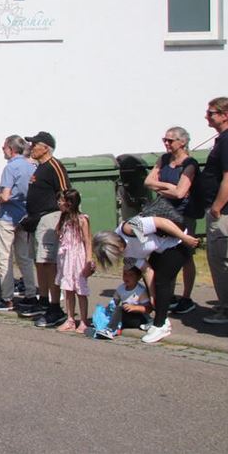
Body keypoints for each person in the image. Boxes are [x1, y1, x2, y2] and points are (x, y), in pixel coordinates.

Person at [93, 216, 198, 344]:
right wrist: (153, 296)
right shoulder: (127, 255)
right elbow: (147, 271)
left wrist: (184, 237)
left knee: (162, 280)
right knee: (156, 284)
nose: (118, 256)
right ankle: (161, 319)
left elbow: (161, 222)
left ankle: (161, 325)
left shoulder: (129, 229)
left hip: (178, 241)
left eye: (115, 252)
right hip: (162, 249)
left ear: (114, 243)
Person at [144, 126, 201, 315]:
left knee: (185, 256)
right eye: (164, 140)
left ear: (182, 142)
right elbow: (148, 182)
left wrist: (162, 188)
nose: (166, 143)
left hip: (184, 215)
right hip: (163, 213)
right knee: (162, 254)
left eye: (170, 140)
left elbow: (180, 193)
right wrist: (167, 185)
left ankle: (187, 297)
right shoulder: (164, 159)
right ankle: (168, 294)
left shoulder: (189, 164)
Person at [23, 131, 72, 328]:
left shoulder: (54, 165)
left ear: (45, 147)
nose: (31, 147)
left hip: (51, 219)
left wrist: (66, 220)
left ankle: (55, 307)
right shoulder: (39, 167)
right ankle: (43, 300)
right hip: (38, 220)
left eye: (35, 144)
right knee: (40, 261)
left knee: (49, 262)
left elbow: (66, 192)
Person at [0, 136, 37, 312]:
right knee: (25, 258)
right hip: (24, 217)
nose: (2, 150)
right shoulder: (31, 166)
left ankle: (7, 298)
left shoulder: (10, 168)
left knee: (5, 258)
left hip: (8, 217)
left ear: (11, 149)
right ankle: (31, 294)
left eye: (3, 148)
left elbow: (6, 196)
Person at [201, 96, 228, 325]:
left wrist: (217, 207)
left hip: (225, 212)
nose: (207, 116)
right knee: (220, 258)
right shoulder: (223, 138)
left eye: (212, 112)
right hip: (222, 210)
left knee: (224, 259)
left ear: (226, 115)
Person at [53, 189, 94, 334]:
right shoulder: (64, 219)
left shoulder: (82, 219)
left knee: (80, 290)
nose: (59, 203)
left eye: (61, 200)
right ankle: (70, 319)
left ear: (69, 203)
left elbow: (88, 241)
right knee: (68, 288)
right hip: (66, 258)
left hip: (78, 257)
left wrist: (89, 261)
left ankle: (83, 320)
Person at [94, 266, 152, 340]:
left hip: (139, 318)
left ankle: (110, 330)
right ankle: (111, 326)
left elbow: (148, 309)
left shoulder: (141, 291)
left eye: (131, 275)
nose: (127, 277)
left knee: (120, 309)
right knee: (109, 312)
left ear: (138, 277)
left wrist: (135, 308)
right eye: (125, 274)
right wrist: (109, 307)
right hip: (127, 316)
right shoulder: (121, 288)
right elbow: (115, 301)